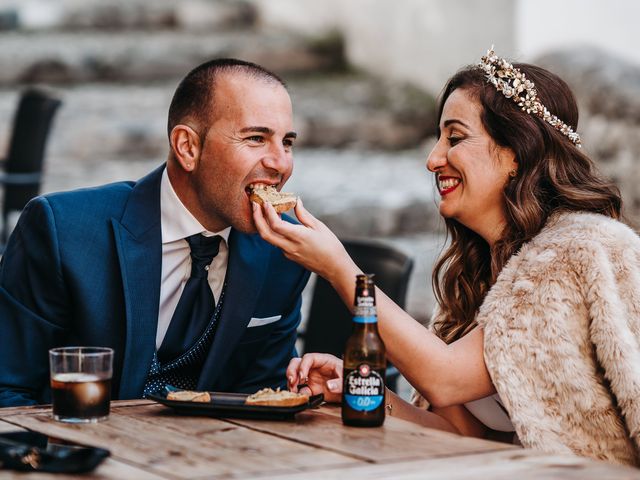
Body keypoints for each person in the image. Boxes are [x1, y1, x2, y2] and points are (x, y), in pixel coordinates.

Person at [252, 48, 640, 466]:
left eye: (455, 138)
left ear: (516, 153)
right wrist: (366, 392)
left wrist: (337, 267)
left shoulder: (578, 248)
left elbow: (446, 378)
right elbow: (461, 435)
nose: (433, 158)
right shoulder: (476, 277)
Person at [0, 58, 310, 407]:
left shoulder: (284, 251)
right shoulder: (63, 230)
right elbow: (7, 388)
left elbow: (262, 394)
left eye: (287, 142)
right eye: (256, 138)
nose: (281, 163)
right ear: (188, 147)